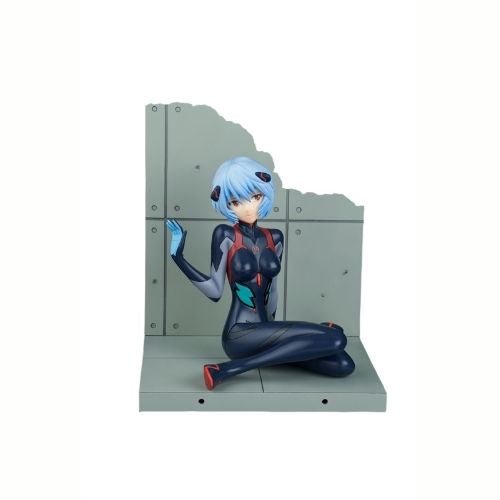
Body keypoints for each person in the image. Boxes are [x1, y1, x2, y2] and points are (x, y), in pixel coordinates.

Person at [166, 156, 355, 390]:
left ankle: (234, 367)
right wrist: (178, 258)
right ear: (224, 203)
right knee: (336, 338)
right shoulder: (225, 234)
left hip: (266, 331)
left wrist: (282, 334)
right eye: (236, 202)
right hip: (239, 334)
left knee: (343, 364)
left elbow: (272, 290)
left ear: (264, 194)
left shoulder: (275, 238)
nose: (247, 207)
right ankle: (231, 368)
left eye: (255, 197)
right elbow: (214, 292)